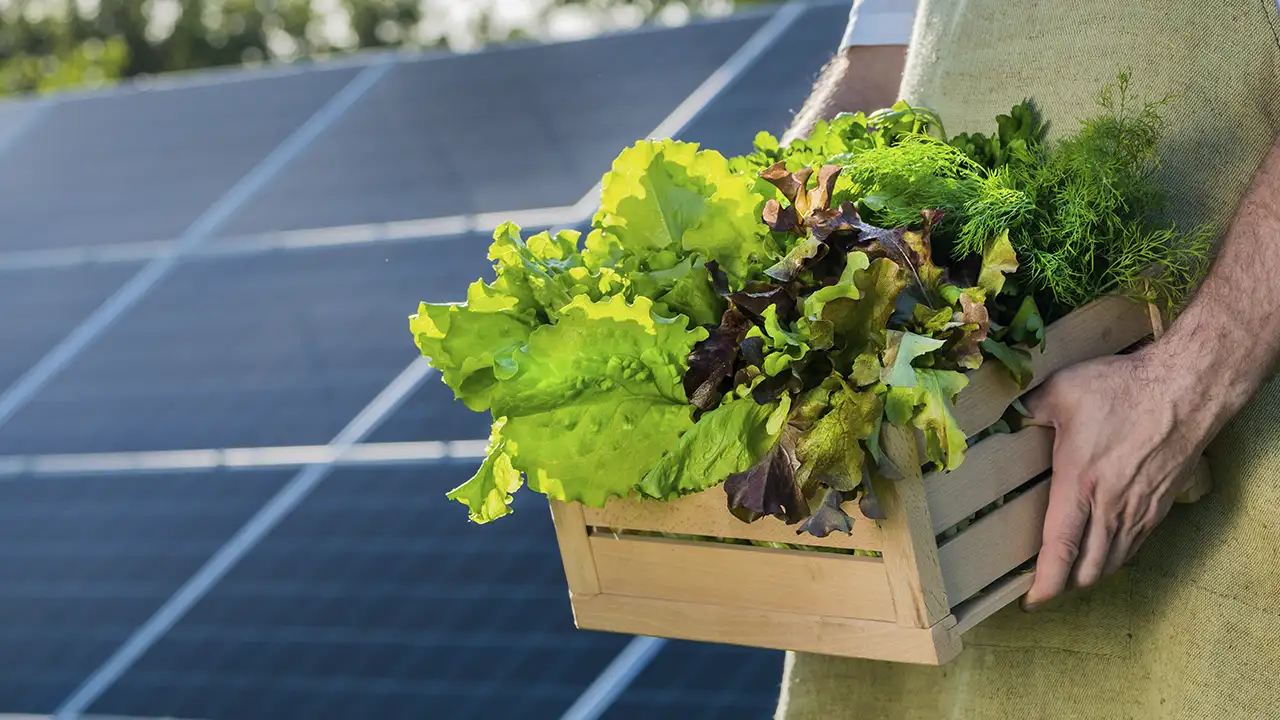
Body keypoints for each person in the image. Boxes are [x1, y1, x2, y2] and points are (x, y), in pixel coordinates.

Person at [775, 1, 1280, 717]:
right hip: (917, 530)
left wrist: (1188, 384)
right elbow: (877, 63)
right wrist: (763, 264)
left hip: (1223, 442)